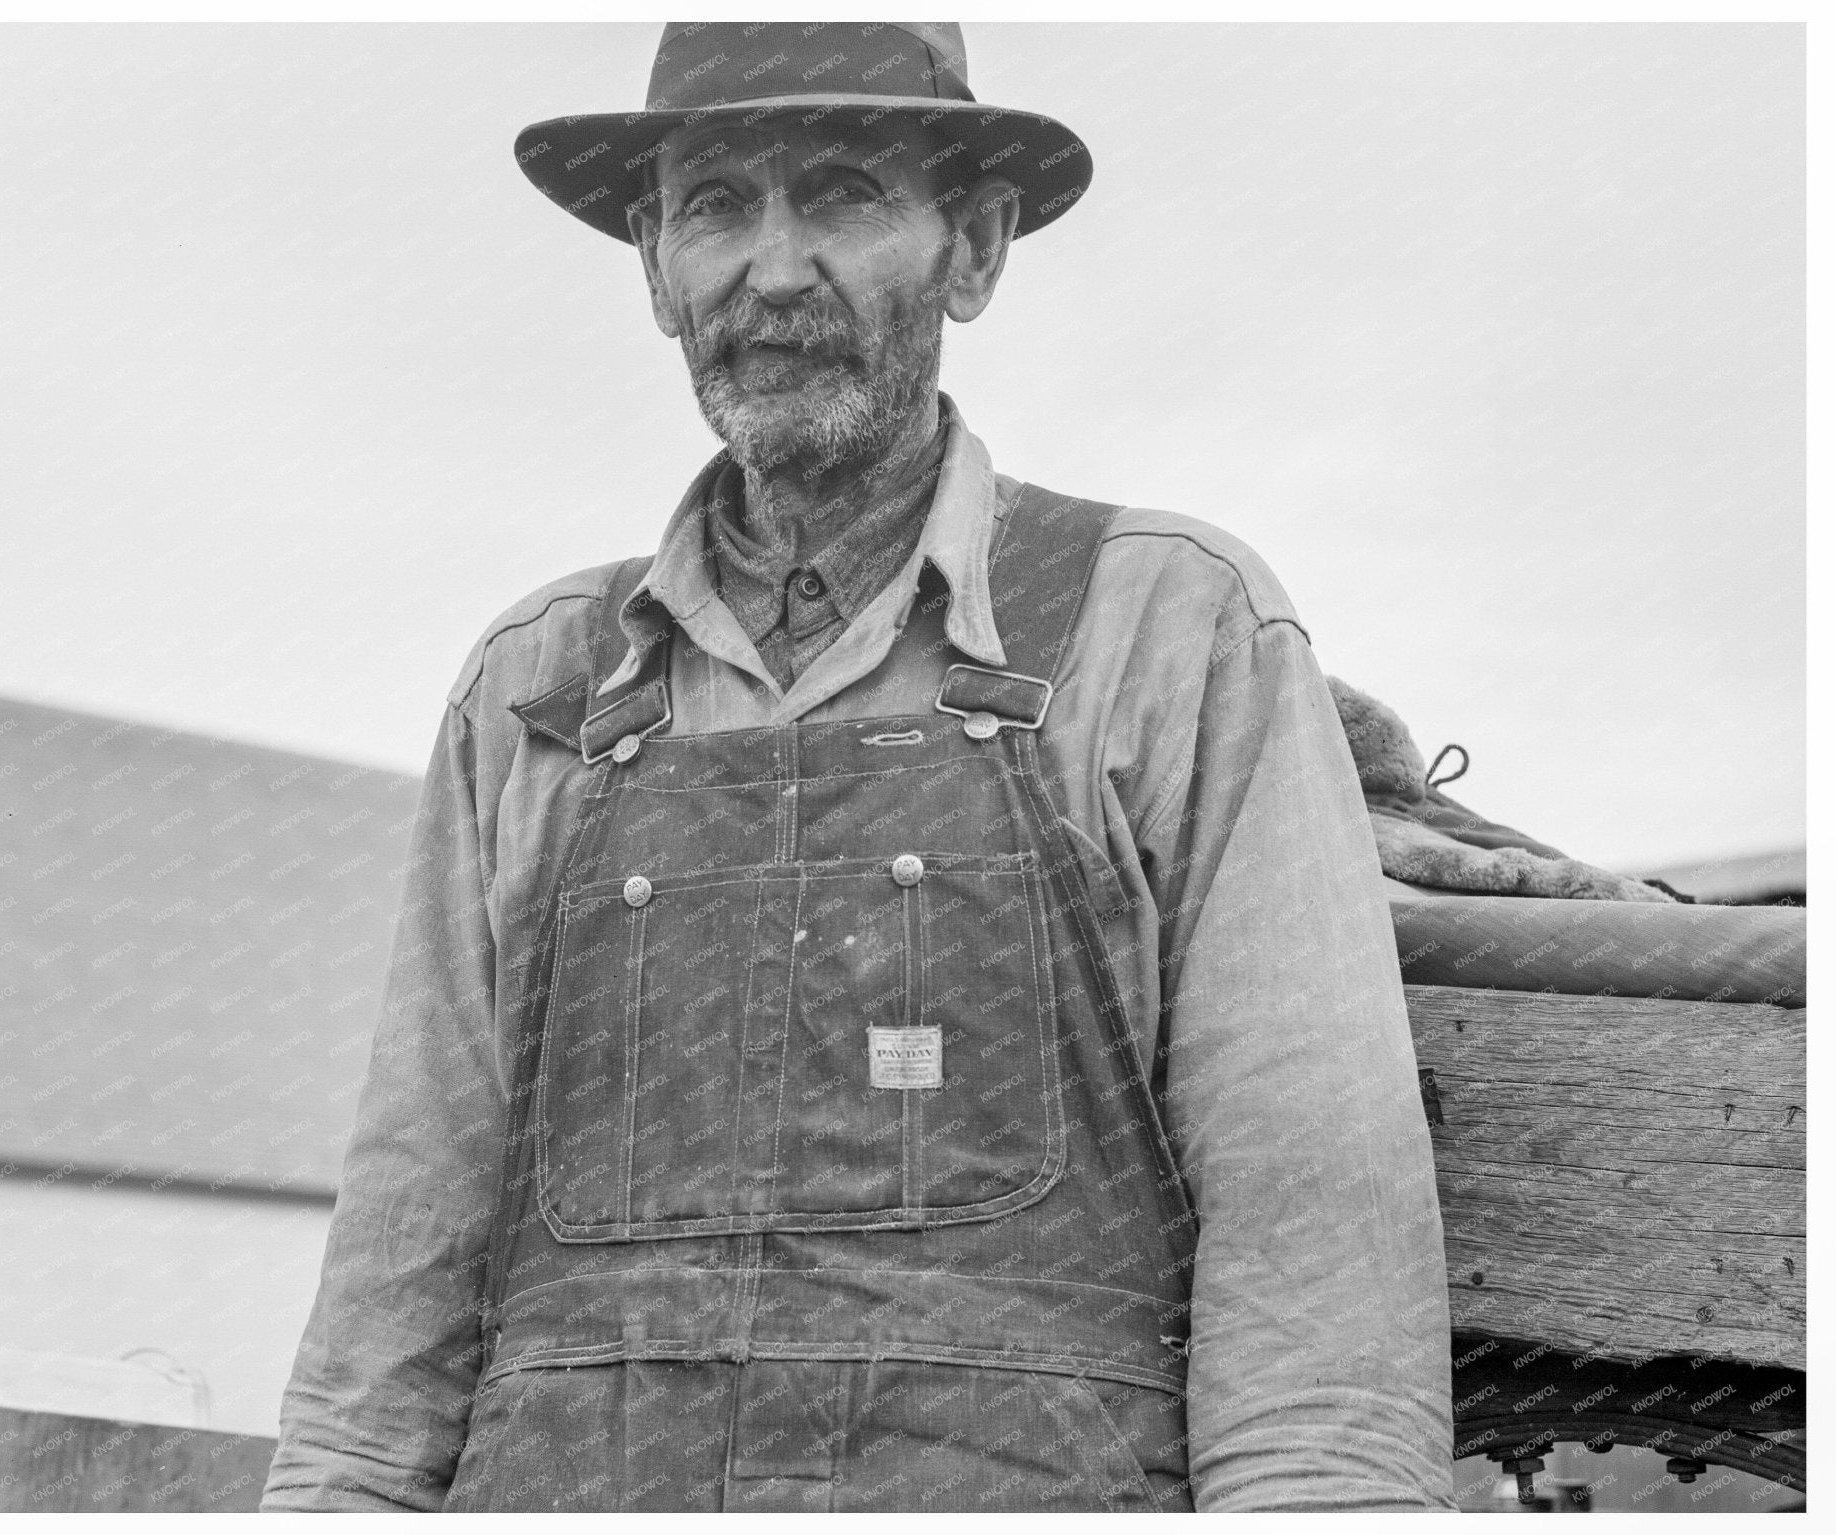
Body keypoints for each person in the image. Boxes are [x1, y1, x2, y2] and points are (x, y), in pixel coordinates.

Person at [262, 21, 1454, 1513]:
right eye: (714, 206)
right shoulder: (536, 684)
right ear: (654, 269)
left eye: (841, 193)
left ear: (976, 248)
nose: (772, 269)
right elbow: (401, 1265)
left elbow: (1315, 1259)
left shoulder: (1166, 626)